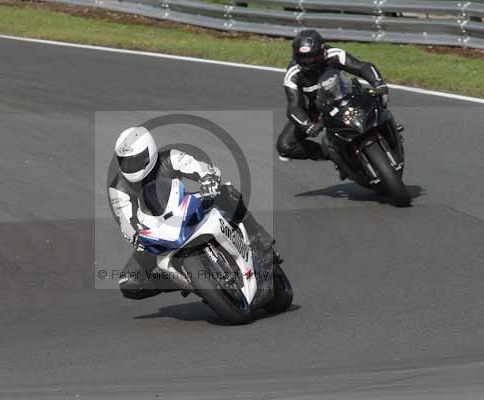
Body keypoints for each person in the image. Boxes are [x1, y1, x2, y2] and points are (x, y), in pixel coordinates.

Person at [108, 126, 279, 299]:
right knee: (129, 283)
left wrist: (208, 179)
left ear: (150, 151)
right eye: (124, 162)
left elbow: (201, 167)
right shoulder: (118, 188)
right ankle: (187, 281)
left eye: (135, 161)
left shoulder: (170, 157)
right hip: (156, 232)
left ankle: (259, 239)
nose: (130, 167)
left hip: (183, 208)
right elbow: (125, 220)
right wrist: (136, 236)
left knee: (226, 192)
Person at [277, 29, 389, 162]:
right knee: (285, 146)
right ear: (296, 56)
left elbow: (361, 66)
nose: (309, 61)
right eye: (304, 57)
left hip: (348, 97)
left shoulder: (334, 54)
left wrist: (378, 82)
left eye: (314, 56)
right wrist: (307, 124)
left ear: (322, 51)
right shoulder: (293, 74)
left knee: (379, 97)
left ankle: (387, 127)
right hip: (319, 111)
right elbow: (293, 106)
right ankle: (332, 154)